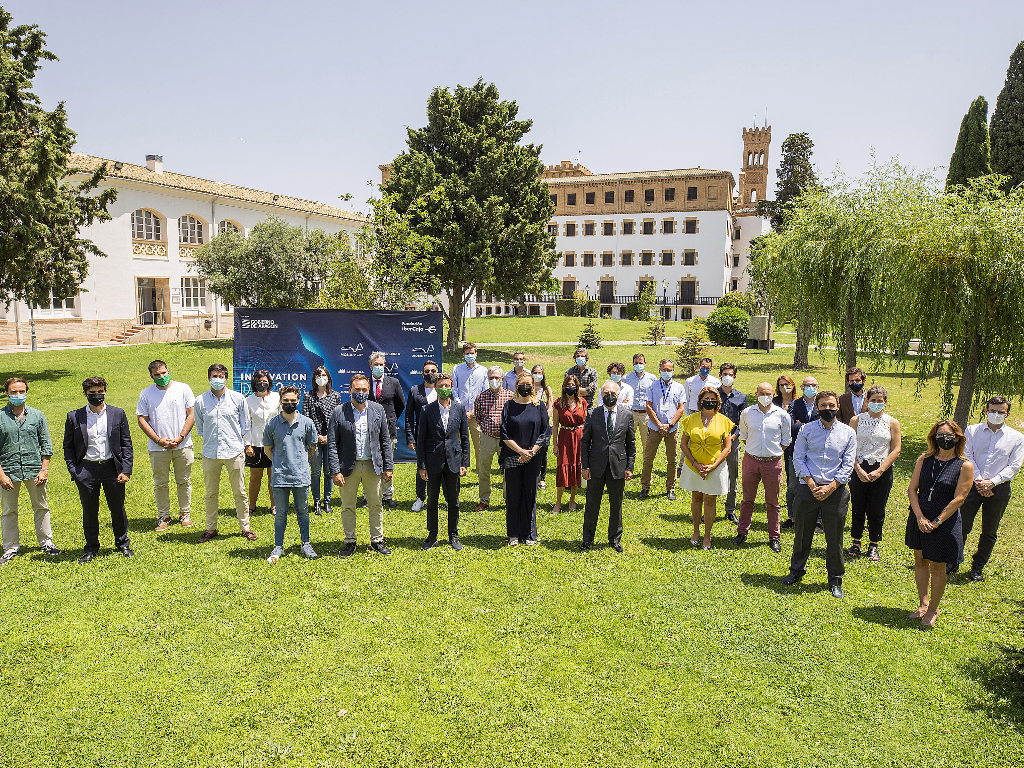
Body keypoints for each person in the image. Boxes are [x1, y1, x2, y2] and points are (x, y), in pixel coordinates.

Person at [782, 391, 857, 598]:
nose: (828, 409)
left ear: (838, 407)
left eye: (831, 405)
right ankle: (796, 571)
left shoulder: (848, 433)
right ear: (817, 408)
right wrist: (812, 484)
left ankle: (835, 579)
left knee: (835, 538)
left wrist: (831, 487)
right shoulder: (806, 430)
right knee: (802, 534)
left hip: (836, 490)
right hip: (808, 489)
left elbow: (848, 463)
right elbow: (798, 458)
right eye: (823, 405)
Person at [905, 421, 973, 627]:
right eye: (940, 434)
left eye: (949, 434)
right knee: (920, 559)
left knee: (938, 565)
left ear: (957, 437)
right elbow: (912, 490)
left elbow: (959, 498)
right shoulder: (924, 459)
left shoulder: (964, 465)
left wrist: (936, 521)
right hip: (920, 516)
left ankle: (934, 609)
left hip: (944, 519)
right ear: (933, 437)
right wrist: (919, 517)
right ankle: (923, 604)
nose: (944, 438)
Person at [62, 377, 132, 562]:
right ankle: (91, 547)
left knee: (117, 508)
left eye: (100, 392)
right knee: (90, 510)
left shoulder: (117, 413)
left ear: (105, 391)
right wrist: (74, 470)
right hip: (86, 469)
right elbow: (68, 446)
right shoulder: (74, 416)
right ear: (85, 394)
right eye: (92, 393)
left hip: (112, 468)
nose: (96, 396)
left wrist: (125, 470)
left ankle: (123, 544)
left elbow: (126, 444)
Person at [327, 374, 394, 557]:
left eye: (364, 390)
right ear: (350, 390)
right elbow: (332, 444)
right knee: (348, 505)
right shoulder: (339, 412)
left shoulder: (378, 410)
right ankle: (349, 541)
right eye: (357, 390)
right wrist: (335, 470)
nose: (361, 393)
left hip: (373, 466)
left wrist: (388, 467)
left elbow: (385, 441)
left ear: (369, 390)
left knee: (376, 504)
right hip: (349, 467)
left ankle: (377, 540)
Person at [959, 396, 1024, 581]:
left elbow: (1014, 465)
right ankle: (954, 560)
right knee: (962, 525)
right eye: (992, 411)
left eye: (1000, 412)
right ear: (986, 411)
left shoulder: (1017, 438)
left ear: (1007, 414)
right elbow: (967, 455)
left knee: (989, 530)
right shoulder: (972, 430)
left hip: (1000, 488)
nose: (996, 415)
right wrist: (980, 481)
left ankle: (977, 566)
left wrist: (992, 482)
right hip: (972, 485)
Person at [194, 363, 257, 543]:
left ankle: (245, 527)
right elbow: (200, 428)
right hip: (210, 453)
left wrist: (246, 445)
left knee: (240, 492)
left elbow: (245, 425)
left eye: (221, 376)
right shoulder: (200, 401)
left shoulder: (238, 399)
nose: (218, 379)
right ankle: (211, 528)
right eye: (214, 376)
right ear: (208, 378)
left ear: (226, 378)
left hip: (234, 452)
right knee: (210, 493)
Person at [0, 377, 59, 564]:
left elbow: (46, 445)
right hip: (8, 471)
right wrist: (1, 475)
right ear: (7, 393)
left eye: (21, 391)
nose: (18, 395)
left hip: (35, 470)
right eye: (14, 392)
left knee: (41, 506)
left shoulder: (37, 416)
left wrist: (44, 470)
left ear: (26, 392)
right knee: (9, 510)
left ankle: (46, 543)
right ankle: (10, 547)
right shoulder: (0, 416)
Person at [136, 360, 195, 532]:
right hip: (158, 448)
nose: (161, 377)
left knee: (184, 481)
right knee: (160, 483)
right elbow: (142, 419)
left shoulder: (183, 388)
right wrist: (158, 440)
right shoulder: (146, 394)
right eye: (157, 375)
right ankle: (164, 516)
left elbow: (191, 414)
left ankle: (185, 514)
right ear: (151, 376)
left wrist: (181, 437)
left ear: (168, 370)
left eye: (163, 373)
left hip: (182, 445)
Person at [263, 385, 320, 563]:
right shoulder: (272, 424)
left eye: (292, 401)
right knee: (281, 513)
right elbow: (267, 449)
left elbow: (312, 447)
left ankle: (305, 543)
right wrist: (281, 463)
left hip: (301, 476)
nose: (289, 403)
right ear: (280, 402)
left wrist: (300, 462)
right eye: (285, 401)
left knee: (302, 511)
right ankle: (278, 545)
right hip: (280, 476)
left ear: (298, 401)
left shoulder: (307, 423)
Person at [734, 382, 792, 552]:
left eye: (768, 393)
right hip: (751, 461)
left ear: (773, 394)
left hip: (772, 463)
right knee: (747, 500)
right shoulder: (747, 413)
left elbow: (786, 441)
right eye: (761, 393)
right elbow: (744, 436)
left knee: (772, 502)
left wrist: (771, 453)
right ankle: (742, 532)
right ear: (756, 393)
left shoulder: (782, 415)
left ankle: (774, 536)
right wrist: (756, 451)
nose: (764, 396)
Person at [847, 385, 902, 562]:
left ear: (885, 402)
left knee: (877, 508)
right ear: (867, 401)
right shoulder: (856, 420)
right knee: (858, 506)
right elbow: (850, 447)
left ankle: (873, 544)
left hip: (882, 470)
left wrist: (880, 470)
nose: (876, 403)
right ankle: (856, 541)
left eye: (880, 401)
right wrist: (858, 469)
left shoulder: (892, 422)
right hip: (859, 468)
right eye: (873, 400)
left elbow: (896, 449)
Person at [417, 373, 470, 550]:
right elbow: (421, 439)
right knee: (432, 501)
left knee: (453, 501)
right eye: (441, 385)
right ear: (435, 387)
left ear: (452, 387)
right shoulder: (427, 410)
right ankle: (432, 535)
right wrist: (422, 465)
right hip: (433, 462)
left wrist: (465, 462)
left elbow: (464, 437)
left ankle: (453, 535)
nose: (444, 388)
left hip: (453, 461)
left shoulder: (459, 409)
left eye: (447, 385)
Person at [580, 381, 636, 552]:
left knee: (616, 505)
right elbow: (585, 442)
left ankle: (614, 539)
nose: (609, 396)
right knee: (592, 504)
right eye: (606, 393)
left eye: (612, 393)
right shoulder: (593, 413)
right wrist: (585, 466)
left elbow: (631, 443)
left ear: (618, 396)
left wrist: (629, 467)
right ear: (601, 395)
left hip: (617, 466)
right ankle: (587, 539)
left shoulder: (627, 415)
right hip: (596, 466)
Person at [678, 388, 733, 549]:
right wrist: (695, 464)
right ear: (700, 400)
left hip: (715, 467)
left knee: (710, 500)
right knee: (696, 498)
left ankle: (707, 535)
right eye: (706, 398)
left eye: (712, 398)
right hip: (693, 466)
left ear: (717, 402)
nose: (709, 401)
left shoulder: (724, 420)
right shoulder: (690, 419)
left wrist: (713, 466)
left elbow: (727, 447)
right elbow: (683, 444)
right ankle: (696, 531)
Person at [499, 372, 550, 546]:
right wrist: (520, 451)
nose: (526, 387)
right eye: (523, 384)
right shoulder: (509, 406)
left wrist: (531, 452)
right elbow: (504, 432)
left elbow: (545, 432)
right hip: (513, 456)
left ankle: (529, 533)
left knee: (530, 494)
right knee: (513, 495)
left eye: (529, 384)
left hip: (533, 457)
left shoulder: (539, 406)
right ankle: (513, 534)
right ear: (517, 386)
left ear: (533, 386)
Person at [641, 359, 686, 500]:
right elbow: (648, 406)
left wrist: (670, 425)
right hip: (655, 428)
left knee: (672, 459)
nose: (667, 372)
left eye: (669, 370)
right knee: (648, 458)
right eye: (664, 370)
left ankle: (670, 488)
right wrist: (660, 425)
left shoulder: (679, 387)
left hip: (672, 429)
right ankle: (645, 487)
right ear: (659, 370)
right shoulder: (652, 386)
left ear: (673, 371)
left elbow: (681, 408)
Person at [367, 351, 406, 509]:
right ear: (370, 366)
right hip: (368, 430)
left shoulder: (393, 382)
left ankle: (387, 495)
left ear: (385, 366)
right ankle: (368, 496)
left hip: (388, 430)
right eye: (375, 365)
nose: (378, 367)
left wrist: (390, 419)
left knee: (387, 463)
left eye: (381, 365)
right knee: (369, 463)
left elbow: (401, 404)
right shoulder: (365, 383)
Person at [302, 366, 341, 516]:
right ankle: (316, 501)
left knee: (329, 472)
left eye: (324, 374)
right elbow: (306, 418)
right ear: (314, 378)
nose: (321, 377)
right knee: (316, 472)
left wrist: (329, 436)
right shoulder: (308, 396)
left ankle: (327, 501)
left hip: (330, 439)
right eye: (318, 375)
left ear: (328, 377)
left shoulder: (335, 396)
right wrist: (316, 436)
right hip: (314, 440)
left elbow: (338, 418)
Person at [472, 366, 512, 511]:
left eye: (497, 378)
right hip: (487, 438)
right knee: (484, 470)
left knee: (509, 470)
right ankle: (484, 500)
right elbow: (478, 416)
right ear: (488, 379)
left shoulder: (510, 396)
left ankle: (509, 499)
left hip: (506, 440)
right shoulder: (481, 397)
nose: (494, 380)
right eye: (491, 378)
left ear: (502, 379)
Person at [787, 376, 822, 532]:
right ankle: (792, 517)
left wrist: (802, 425)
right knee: (793, 485)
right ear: (801, 387)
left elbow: (824, 425)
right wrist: (811, 426)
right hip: (796, 450)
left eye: (813, 385)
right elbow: (791, 426)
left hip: (817, 452)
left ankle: (818, 521)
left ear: (818, 387)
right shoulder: (794, 404)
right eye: (807, 385)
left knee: (817, 484)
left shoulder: (822, 405)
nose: (810, 388)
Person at [244, 370, 280, 517]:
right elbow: (247, 425)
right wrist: (248, 445)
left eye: (264, 381)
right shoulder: (248, 401)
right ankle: (251, 505)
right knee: (255, 477)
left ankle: (274, 505)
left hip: (274, 444)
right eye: (259, 381)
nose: (262, 384)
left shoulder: (277, 398)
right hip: (255, 444)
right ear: (254, 383)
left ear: (269, 382)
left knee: (274, 477)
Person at [552, 373, 588, 514]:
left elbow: (586, 422)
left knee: (576, 468)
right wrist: (555, 444)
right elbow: (555, 425)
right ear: (564, 386)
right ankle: (558, 502)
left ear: (577, 387)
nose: (571, 387)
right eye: (568, 385)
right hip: (565, 437)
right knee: (563, 468)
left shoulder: (582, 403)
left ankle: (572, 499)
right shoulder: (558, 403)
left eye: (573, 385)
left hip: (579, 438)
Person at [405, 362, 439, 512]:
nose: (430, 373)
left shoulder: (443, 389)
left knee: (442, 466)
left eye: (433, 370)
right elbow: (408, 417)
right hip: (422, 436)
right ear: (422, 373)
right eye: (427, 371)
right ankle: (420, 498)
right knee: (422, 467)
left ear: (437, 372)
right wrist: (410, 437)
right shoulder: (415, 391)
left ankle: (443, 497)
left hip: (440, 436)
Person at [717, 362, 747, 524]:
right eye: (724, 374)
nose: (727, 377)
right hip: (714, 442)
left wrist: (732, 438)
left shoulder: (741, 397)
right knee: (713, 474)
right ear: (720, 375)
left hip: (733, 442)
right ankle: (710, 508)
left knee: (732, 476)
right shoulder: (713, 394)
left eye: (730, 374)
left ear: (734, 377)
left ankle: (730, 509)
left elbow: (743, 423)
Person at [452, 342, 488, 470]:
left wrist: (473, 411)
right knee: (457, 444)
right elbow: (454, 390)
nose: (470, 356)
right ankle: (458, 468)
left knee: (479, 444)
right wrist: (462, 410)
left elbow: (484, 392)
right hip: (459, 413)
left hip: (476, 414)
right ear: (463, 355)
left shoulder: (483, 371)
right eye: (467, 354)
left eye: (472, 353)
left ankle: (480, 471)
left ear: (476, 354)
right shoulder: (456, 369)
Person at [774, 375, 798, 527]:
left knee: (792, 478)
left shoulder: (798, 402)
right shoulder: (774, 401)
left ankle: (794, 508)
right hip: (775, 441)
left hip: (794, 443)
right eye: (781, 385)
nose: (784, 387)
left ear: (793, 385)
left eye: (787, 384)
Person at [623, 353, 656, 456]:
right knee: (628, 441)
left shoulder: (652, 378)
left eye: (640, 363)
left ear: (645, 363)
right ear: (633, 364)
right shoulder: (626, 378)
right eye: (636, 363)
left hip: (646, 414)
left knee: (647, 443)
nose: (638, 365)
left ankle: (646, 467)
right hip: (631, 413)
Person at [531, 365, 554, 490]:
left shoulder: (546, 389)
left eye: (540, 372)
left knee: (543, 452)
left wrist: (544, 419)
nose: (537, 375)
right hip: (532, 424)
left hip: (545, 425)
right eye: (535, 372)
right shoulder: (529, 388)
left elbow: (550, 406)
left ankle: (542, 478)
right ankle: (533, 475)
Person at [565, 347, 599, 412]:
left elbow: (592, 391)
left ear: (586, 358)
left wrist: (574, 389)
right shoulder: (569, 372)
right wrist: (586, 390)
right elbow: (567, 390)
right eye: (578, 356)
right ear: (575, 358)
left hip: (588, 408)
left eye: (582, 356)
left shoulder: (592, 372)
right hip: (573, 407)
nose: (580, 357)